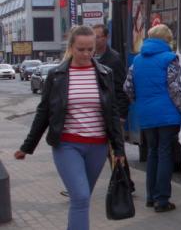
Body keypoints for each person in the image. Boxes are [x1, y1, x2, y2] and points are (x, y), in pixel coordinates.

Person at [14, 25, 125, 230]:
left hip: (98, 147)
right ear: (71, 47)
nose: (85, 54)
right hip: (67, 145)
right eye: (80, 49)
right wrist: (27, 147)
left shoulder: (104, 73)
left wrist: (119, 149)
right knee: (81, 197)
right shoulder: (57, 75)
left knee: (81, 200)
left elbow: (113, 112)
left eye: (90, 49)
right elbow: (43, 113)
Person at [124, 24, 181, 213]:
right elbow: (175, 88)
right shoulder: (169, 58)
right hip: (167, 115)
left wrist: (140, 102)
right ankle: (162, 200)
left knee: (152, 153)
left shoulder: (137, 60)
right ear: (166, 40)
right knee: (165, 154)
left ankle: (150, 197)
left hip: (145, 114)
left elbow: (127, 87)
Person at [93, 23, 135, 191]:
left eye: (99, 37)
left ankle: (125, 184)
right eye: (93, 36)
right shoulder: (90, 57)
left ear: (106, 38)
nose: (95, 40)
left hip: (111, 113)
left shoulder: (113, 59)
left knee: (115, 151)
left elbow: (121, 89)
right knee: (94, 151)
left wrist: (122, 114)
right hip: (95, 113)